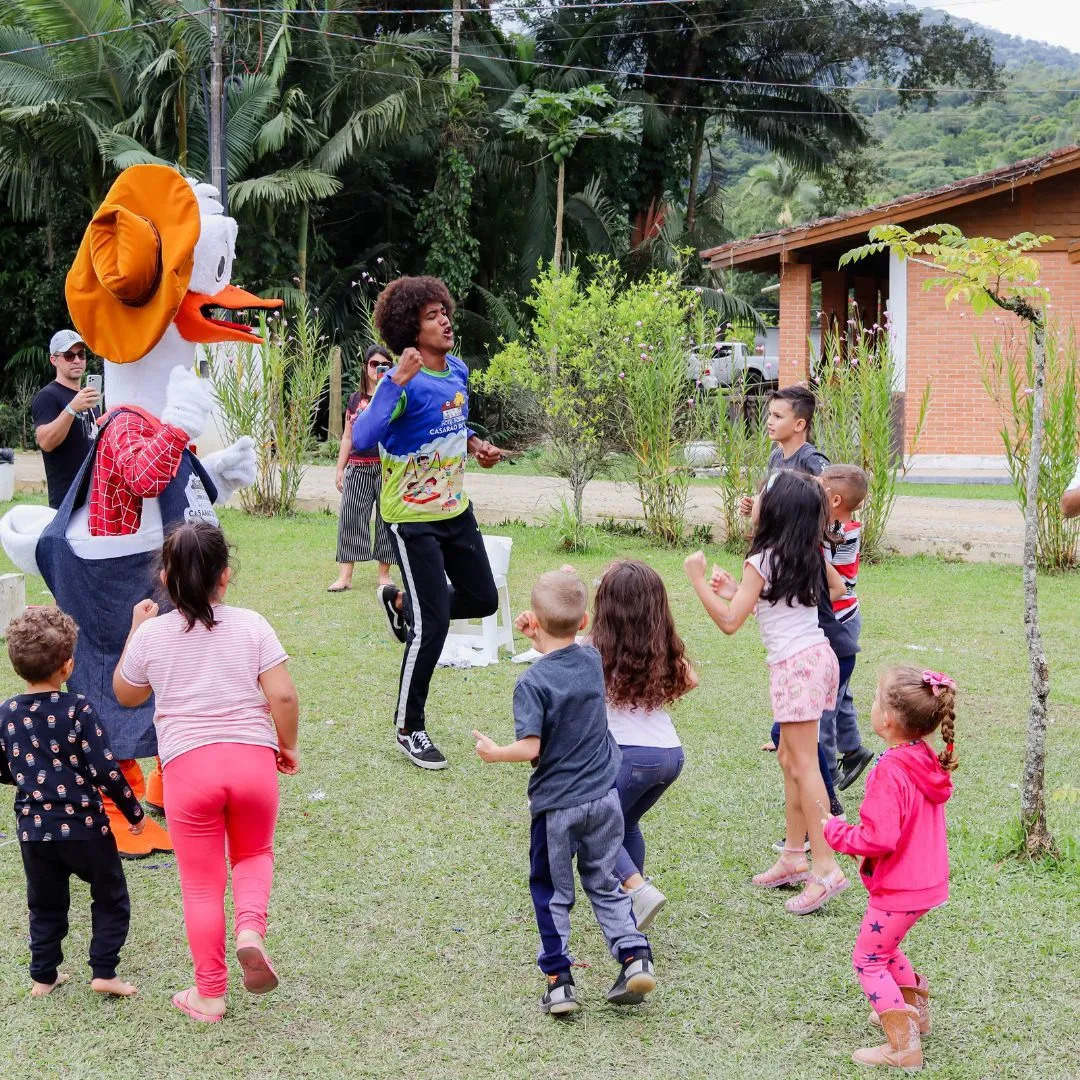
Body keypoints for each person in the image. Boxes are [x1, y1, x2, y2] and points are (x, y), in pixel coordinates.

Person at [112, 522, 300, 1023]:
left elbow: (127, 695)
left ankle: (210, 994)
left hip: (188, 769)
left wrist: (135, 632)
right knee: (254, 853)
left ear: (165, 577)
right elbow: (282, 695)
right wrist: (287, 744)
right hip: (251, 761)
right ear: (225, 576)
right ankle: (251, 931)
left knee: (201, 885)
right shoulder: (252, 624)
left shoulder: (152, 634)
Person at [472, 569, 656, 1017]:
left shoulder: (532, 683)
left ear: (532, 622)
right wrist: (557, 606)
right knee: (604, 882)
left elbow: (531, 747)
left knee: (552, 892)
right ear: (585, 620)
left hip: (558, 807)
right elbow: (573, 626)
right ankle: (634, 955)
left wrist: (496, 753)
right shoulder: (592, 661)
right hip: (605, 799)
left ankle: (559, 982)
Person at [350, 276, 505, 770]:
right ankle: (408, 727)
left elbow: (454, 421)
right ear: (410, 328)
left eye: (446, 312)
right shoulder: (398, 381)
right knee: (434, 625)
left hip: (455, 510)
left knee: (484, 598)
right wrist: (393, 380)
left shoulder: (456, 369)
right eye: (433, 315)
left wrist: (476, 444)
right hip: (412, 519)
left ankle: (402, 603)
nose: (445, 320)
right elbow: (364, 437)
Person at [685, 470, 848, 915]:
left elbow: (730, 622)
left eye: (760, 495)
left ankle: (826, 867)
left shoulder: (763, 559)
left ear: (774, 511)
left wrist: (698, 579)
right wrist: (739, 592)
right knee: (790, 759)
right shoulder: (800, 554)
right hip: (814, 660)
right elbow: (797, 601)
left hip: (797, 667)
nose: (753, 500)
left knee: (803, 763)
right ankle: (794, 856)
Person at [0, 607, 144, 999]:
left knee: (44, 906)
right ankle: (104, 971)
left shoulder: (7, 713)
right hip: (86, 830)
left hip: (34, 833)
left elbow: (4, 767)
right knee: (110, 895)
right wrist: (133, 811)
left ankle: (43, 977)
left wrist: (29, 774)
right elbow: (104, 767)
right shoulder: (77, 708)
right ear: (67, 667)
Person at [823, 666, 957, 1071]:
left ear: (888, 720)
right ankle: (916, 1014)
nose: (872, 705)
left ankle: (903, 1047)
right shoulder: (923, 758)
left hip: (901, 887)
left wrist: (836, 832)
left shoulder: (889, 770)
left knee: (867, 959)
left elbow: (879, 839)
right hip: (926, 883)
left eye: (876, 699)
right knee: (887, 947)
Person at [589, 559, 696, 930]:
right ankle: (635, 903)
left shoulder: (595, 650)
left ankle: (637, 889)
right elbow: (691, 679)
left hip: (627, 758)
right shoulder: (661, 647)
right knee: (626, 823)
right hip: (669, 754)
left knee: (594, 830)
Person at [821, 464, 875, 791]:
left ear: (836, 499)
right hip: (844, 618)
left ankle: (826, 773)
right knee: (839, 692)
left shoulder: (835, 532)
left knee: (825, 707)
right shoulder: (841, 523)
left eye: (820, 490)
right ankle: (854, 749)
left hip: (838, 623)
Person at [328, 345, 397, 593]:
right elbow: (347, 436)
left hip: (387, 469)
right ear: (365, 366)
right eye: (373, 364)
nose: (377, 368)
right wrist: (339, 469)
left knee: (386, 520)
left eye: (384, 365)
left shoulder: (395, 397)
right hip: (358, 467)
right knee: (350, 518)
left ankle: (384, 574)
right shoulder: (355, 400)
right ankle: (345, 577)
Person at [31, 330, 101, 509]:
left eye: (81, 354)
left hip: (95, 499)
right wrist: (71, 409)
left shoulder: (89, 399)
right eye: (69, 356)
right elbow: (45, 442)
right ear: (54, 360)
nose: (77, 360)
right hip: (67, 501)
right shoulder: (47, 396)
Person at [739, 385, 829, 516]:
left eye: (778, 416)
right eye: (770, 414)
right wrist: (756, 508)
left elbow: (836, 495)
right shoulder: (775, 457)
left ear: (799, 425)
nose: (769, 421)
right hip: (780, 535)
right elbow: (773, 499)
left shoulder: (811, 459)